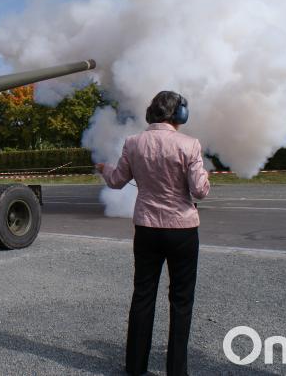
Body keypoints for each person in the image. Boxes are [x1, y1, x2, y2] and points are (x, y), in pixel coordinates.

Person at [95, 90, 210, 376]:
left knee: (143, 296)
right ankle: (176, 371)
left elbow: (117, 180)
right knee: (181, 301)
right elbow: (200, 191)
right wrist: (204, 175)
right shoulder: (190, 144)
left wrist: (103, 169)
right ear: (179, 114)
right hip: (182, 230)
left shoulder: (133, 143)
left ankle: (135, 367)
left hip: (146, 228)